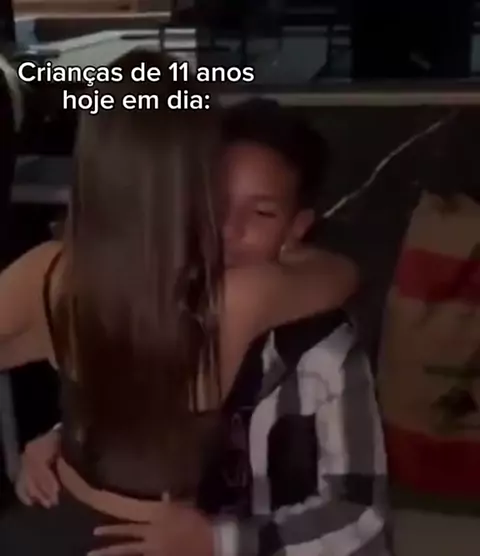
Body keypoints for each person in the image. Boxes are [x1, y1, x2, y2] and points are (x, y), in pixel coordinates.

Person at [0, 51, 390, 555]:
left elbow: (127, 395)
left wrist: (67, 433)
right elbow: (345, 272)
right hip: (143, 537)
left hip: (61, 516)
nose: (229, 228)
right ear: (190, 182)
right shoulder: (240, 296)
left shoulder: (48, 270)